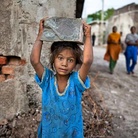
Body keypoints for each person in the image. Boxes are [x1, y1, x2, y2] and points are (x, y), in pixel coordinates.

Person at [30, 18, 93, 138]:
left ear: (75, 64)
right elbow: (34, 60)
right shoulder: (47, 80)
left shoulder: (76, 82)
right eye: (60, 58)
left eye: (70, 60)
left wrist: (88, 37)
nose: (64, 64)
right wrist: (40, 35)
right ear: (53, 59)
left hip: (71, 134)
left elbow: (88, 61)